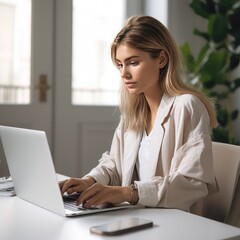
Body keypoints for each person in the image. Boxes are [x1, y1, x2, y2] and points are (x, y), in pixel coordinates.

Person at [59, 15, 218, 215]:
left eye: (133, 62)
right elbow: (115, 165)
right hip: (137, 217)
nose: (124, 73)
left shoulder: (187, 106)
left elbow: (193, 183)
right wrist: (89, 181)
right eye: (119, 64)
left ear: (161, 59)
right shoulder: (132, 114)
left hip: (173, 222)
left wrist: (129, 193)